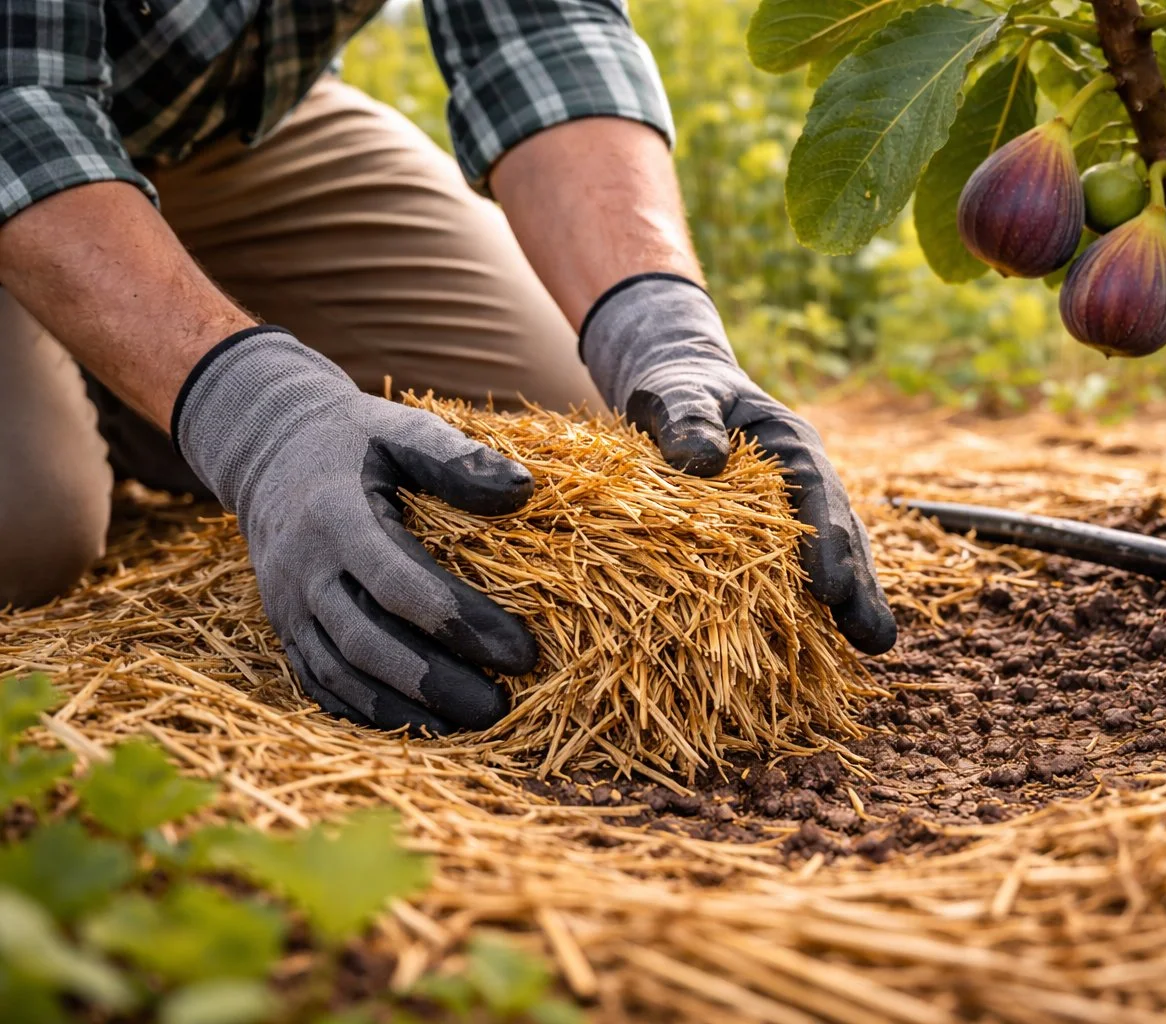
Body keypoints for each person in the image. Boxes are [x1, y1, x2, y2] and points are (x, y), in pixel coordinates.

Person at [0, 1, 897, 733]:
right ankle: (118, 375)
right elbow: (18, 100)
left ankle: (123, 374)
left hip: (221, 130)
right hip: (24, 126)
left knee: (547, 424)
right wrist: (256, 415)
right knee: (28, 529)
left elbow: (543, 28)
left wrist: (659, 327)